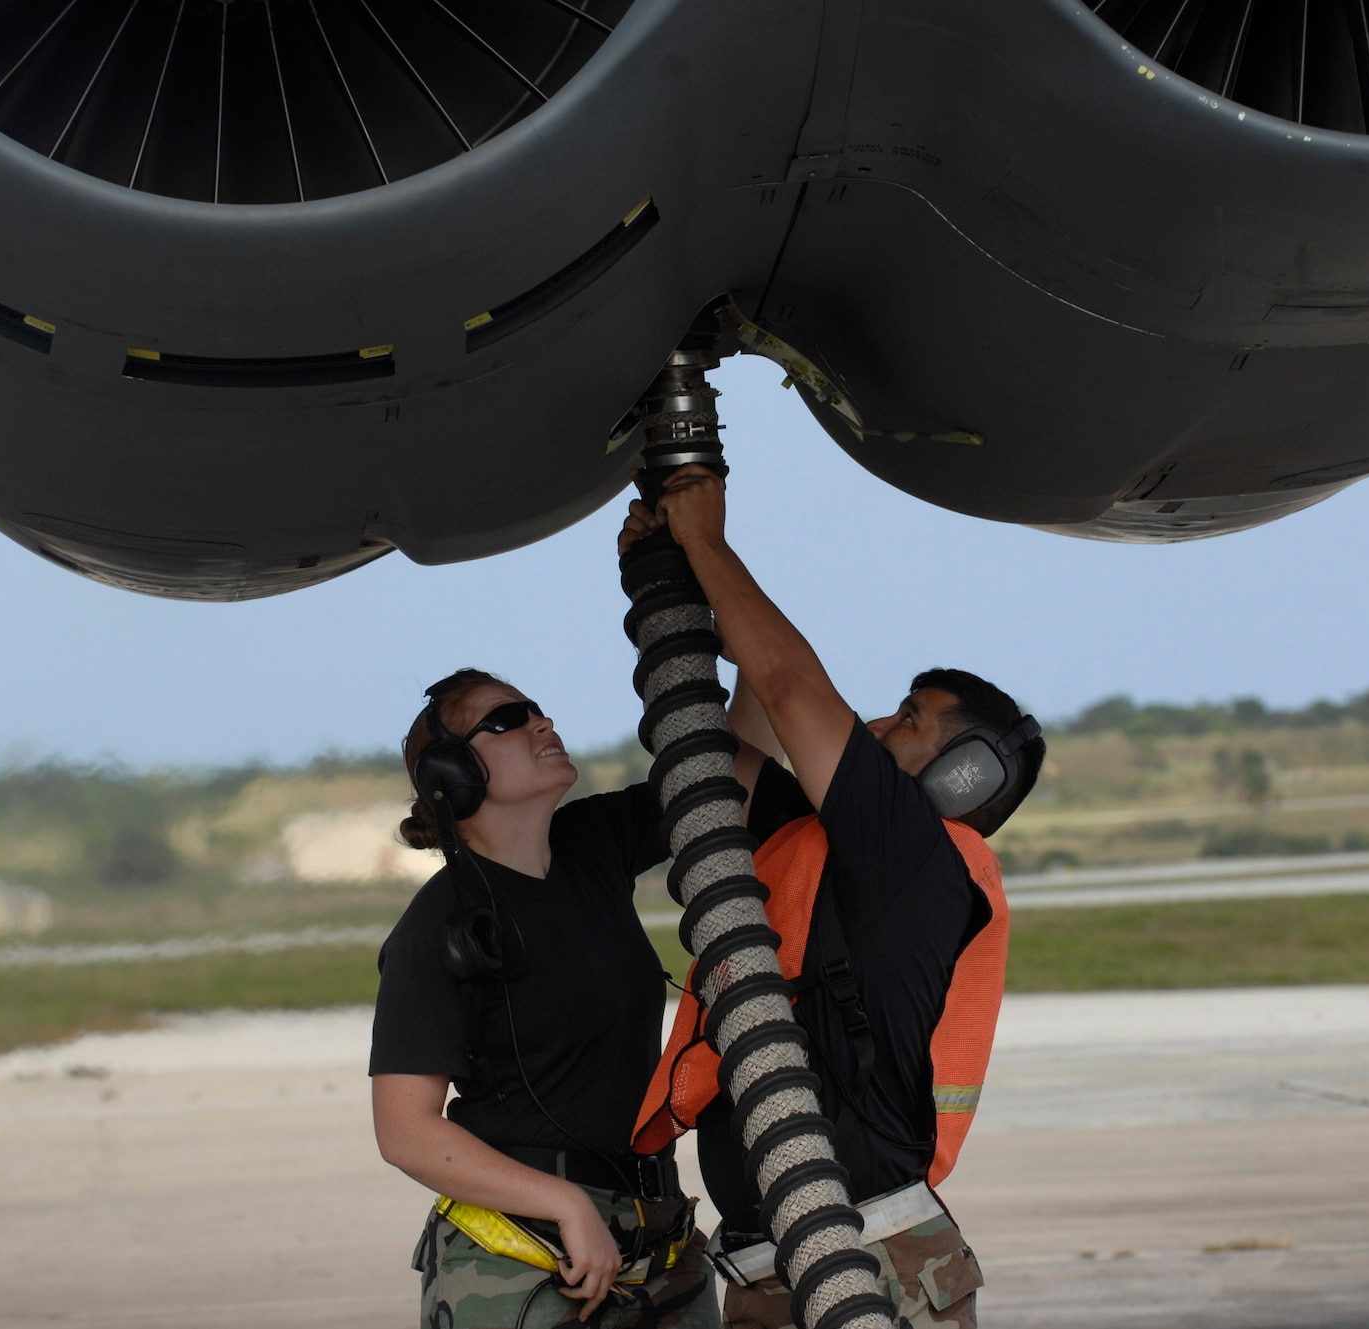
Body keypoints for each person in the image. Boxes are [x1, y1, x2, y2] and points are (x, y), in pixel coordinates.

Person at [617, 471, 1045, 1329]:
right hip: (769, 1268)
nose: (877, 726)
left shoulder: (917, 858)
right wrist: (673, 580)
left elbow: (790, 688)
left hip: (868, 1262)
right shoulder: (824, 844)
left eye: (909, 716)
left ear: (964, 778)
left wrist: (707, 543)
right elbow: (724, 760)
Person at [369, 669, 720, 1329]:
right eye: (507, 719)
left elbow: (722, 779)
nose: (542, 722)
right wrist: (564, 1203)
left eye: (536, 709)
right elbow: (406, 1131)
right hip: (525, 1251)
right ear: (454, 771)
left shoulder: (596, 843)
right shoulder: (439, 928)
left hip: (656, 1232)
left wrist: (748, 663)